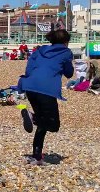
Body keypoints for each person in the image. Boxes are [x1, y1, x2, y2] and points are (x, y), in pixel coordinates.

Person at [18, 29, 74, 165]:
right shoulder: (66, 52)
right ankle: (32, 117)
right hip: (46, 89)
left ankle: (37, 157)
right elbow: (69, 73)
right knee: (53, 125)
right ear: (66, 42)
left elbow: (29, 69)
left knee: (42, 124)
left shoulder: (40, 50)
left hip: (29, 86)